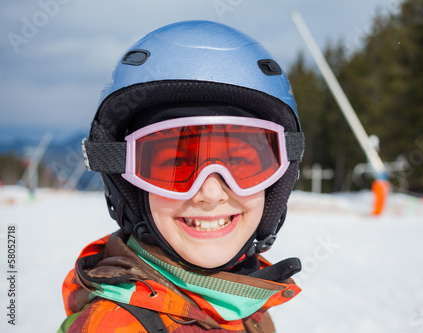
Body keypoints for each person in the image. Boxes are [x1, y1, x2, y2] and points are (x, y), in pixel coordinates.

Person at [58, 20, 305, 332]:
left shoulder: (243, 307)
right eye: (174, 165)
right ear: (127, 187)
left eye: (242, 162)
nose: (211, 193)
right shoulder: (113, 326)